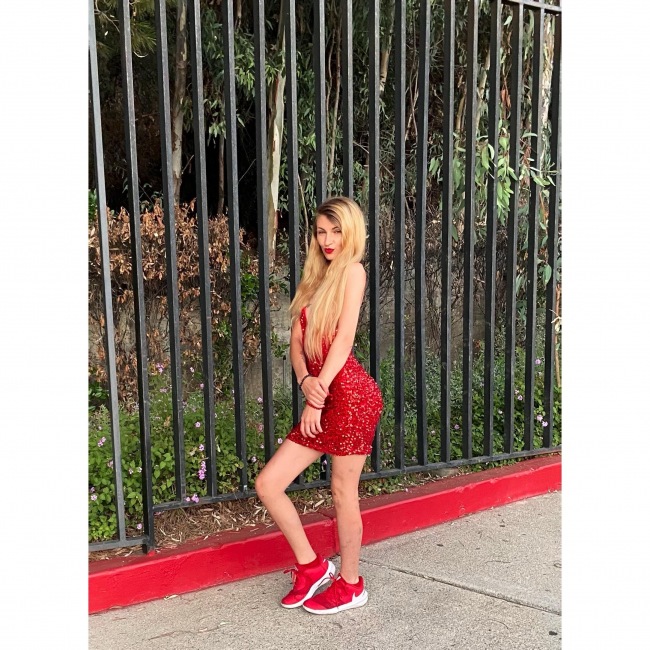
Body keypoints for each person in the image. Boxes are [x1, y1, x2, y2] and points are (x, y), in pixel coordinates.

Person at [255, 196, 383, 615]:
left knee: (343, 491)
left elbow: (343, 340)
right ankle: (312, 568)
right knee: (269, 484)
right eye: (321, 231)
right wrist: (305, 381)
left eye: (336, 231)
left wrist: (317, 397)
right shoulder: (314, 279)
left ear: (351, 233)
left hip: (351, 398)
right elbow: (296, 345)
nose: (328, 240)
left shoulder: (353, 272)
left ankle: (351, 584)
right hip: (321, 393)